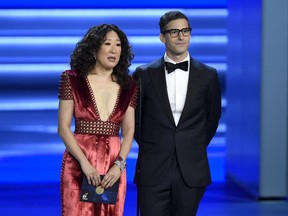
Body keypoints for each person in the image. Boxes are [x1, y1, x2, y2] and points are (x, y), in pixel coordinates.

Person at [132, 11, 222, 216]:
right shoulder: (143, 74)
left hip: (191, 168)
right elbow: (136, 121)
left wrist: (191, 144)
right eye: (174, 32)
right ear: (162, 37)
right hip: (153, 166)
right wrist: (154, 144)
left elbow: (212, 119)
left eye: (185, 31)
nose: (181, 36)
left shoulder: (208, 75)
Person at [57, 24, 138, 216]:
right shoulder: (72, 79)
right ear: (94, 48)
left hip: (113, 165)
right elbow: (63, 127)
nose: (113, 50)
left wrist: (119, 166)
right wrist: (85, 164)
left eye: (118, 45)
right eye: (107, 43)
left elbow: (128, 131)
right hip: (79, 160)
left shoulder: (129, 85)